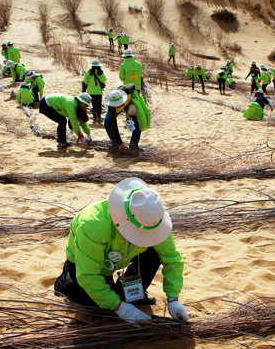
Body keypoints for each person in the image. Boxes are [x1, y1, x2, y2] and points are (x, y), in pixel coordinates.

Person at [53, 177, 188, 324]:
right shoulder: (92, 225)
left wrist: (173, 298)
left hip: (125, 257)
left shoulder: (152, 217)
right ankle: (67, 281)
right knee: (100, 308)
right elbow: (88, 275)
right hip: (90, 265)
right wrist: (119, 307)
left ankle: (128, 291)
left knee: (153, 256)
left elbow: (172, 259)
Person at [104, 85, 150, 154]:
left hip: (130, 104)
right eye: (115, 104)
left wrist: (132, 102)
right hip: (121, 107)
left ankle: (133, 145)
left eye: (118, 103)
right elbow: (113, 124)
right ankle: (115, 143)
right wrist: (120, 143)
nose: (117, 105)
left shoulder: (127, 90)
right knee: (107, 122)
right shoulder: (112, 107)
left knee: (138, 122)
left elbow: (133, 86)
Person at [83, 59, 107, 124]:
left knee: (93, 105)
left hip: (91, 91)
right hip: (99, 92)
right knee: (99, 105)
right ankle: (99, 117)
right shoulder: (101, 72)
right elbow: (104, 82)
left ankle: (94, 118)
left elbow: (85, 81)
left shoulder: (89, 72)